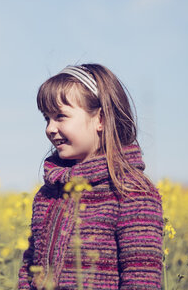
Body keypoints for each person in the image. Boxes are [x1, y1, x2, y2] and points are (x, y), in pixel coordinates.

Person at [18, 64, 163, 289]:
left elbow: (141, 279)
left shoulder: (132, 191)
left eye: (60, 116)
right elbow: (29, 270)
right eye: (46, 118)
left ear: (101, 119)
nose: (49, 128)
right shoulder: (49, 192)